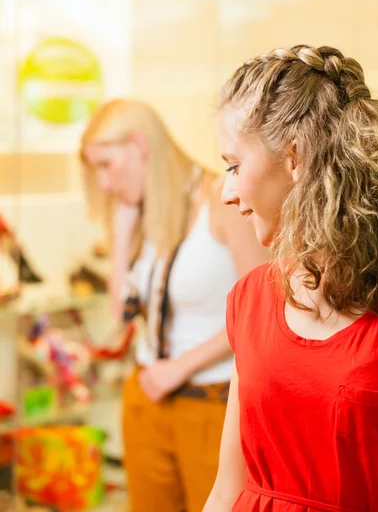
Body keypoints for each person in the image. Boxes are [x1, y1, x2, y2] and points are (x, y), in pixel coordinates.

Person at [205, 45, 378, 512]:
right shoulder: (251, 299)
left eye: (234, 165)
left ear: (293, 158)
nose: (227, 191)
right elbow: (227, 486)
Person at [80, 98, 265, 512]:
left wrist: (181, 367)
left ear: (140, 146)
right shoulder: (149, 210)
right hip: (147, 396)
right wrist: (123, 234)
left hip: (210, 399)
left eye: (107, 165)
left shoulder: (222, 199)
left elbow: (260, 314)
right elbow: (120, 313)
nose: (105, 183)